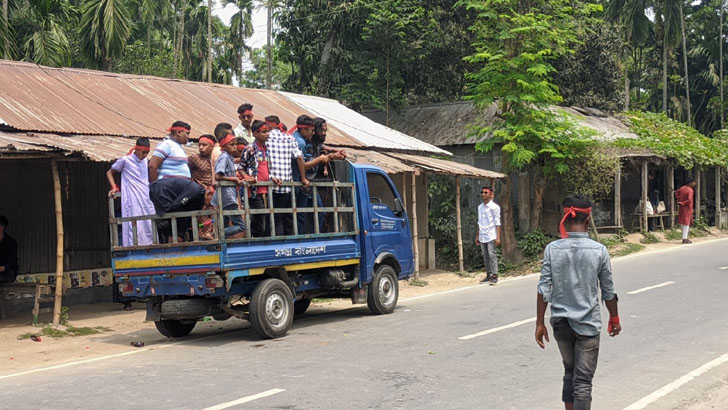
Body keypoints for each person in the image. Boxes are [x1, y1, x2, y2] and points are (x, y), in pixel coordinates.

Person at [535, 194, 620, 410]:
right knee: (583, 382)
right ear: (588, 218)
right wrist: (614, 317)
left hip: (561, 323)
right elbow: (608, 291)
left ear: (565, 217)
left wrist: (539, 323)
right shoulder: (599, 250)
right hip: (588, 325)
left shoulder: (552, 249)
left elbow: (543, 289)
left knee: (569, 372)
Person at [148, 121, 204, 241]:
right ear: (179, 132)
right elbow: (152, 166)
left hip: (178, 190)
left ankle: (171, 232)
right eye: (187, 133)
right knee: (177, 218)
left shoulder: (178, 147)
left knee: (180, 219)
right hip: (168, 189)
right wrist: (154, 185)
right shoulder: (166, 145)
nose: (188, 137)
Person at [106, 137, 155, 247]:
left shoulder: (145, 161)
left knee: (147, 223)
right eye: (143, 152)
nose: (145, 155)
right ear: (136, 149)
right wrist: (114, 186)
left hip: (145, 197)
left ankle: (148, 248)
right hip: (132, 197)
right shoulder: (125, 160)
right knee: (133, 224)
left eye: (147, 152)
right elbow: (109, 172)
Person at [265, 116, 310, 235]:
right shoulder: (289, 138)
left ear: (269, 126)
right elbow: (299, 158)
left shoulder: (265, 139)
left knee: (274, 217)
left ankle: (275, 244)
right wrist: (303, 178)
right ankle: (287, 243)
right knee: (285, 216)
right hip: (287, 185)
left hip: (270, 184)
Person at [239, 120, 281, 237]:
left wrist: (272, 177)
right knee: (259, 221)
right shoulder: (249, 149)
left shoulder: (267, 149)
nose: (267, 134)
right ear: (256, 134)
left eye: (268, 131)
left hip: (266, 190)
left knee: (266, 219)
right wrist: (247, 177)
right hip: (254, 191)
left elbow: (267, 168)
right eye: (264, 132)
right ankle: (253, 241)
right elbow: (241, 168)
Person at [291, 115, 331, 234]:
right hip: (302, 183)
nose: (321, 133)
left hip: (303, 183)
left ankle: (310, 238)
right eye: (318, 130)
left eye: (325, 130)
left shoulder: (308, 141)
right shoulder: (303, 143)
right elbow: (303, 164)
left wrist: (331, 154)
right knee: (303, 215)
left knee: (305, 214)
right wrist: (320, 159)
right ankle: (307, 240)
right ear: (304, 130)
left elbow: (323, 147)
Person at [213, 133, 251, 238]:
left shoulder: (228, 157)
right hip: (227, 196)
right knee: (241, 225)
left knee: (223, 223)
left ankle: (219, 239)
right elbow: (218, 176)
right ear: (224, 147)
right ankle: (215, 235)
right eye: (231, 145)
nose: (234, 147)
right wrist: (234, 179)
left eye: (235, 144)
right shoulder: (224, 157)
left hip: (227, 195)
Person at [475, 186, 501, 285]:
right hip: (482, 235)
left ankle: (495, 275)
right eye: (482, 192)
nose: (483, 194)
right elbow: (479, 222)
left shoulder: (494, 207)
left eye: (486, 192)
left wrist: (498, 237)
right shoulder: (480, 207)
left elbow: (497, 222)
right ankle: (488, 274)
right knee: (485, 255)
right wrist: (477, 236)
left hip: (491, 234)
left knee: (491, 255)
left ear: (491, 195)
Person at [675, 179, 696, 244]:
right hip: (687, 207)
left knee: (682, 222)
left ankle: (684, 237)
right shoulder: (690, 190)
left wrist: (679, 200)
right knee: (686, 223)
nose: (694, 184)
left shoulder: (682, 188)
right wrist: (683, 202)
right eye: (694, 182)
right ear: (690, 183)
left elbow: (676, 193)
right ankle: (684, 238)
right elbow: (689, 200)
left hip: (681, 207)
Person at [0, 215, 19, 284]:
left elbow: (11, 263)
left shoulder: (11, 242)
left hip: (8, 273)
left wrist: (1, 268)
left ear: (2, 227)